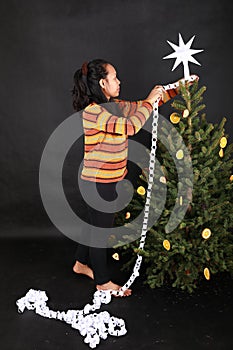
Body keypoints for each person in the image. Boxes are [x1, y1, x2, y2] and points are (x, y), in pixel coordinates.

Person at [71, 58, 180, 297]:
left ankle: (80, 264)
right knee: (100, 231)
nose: (119, 82)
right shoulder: (93, 112)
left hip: (108, 180)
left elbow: (143, 106)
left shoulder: (115, 104)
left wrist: (177, 87)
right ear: (102, 83)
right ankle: (102, 282)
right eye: (114, 78)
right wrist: (149, 103)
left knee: (94, 225)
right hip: (98, 183)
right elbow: (131, 126)